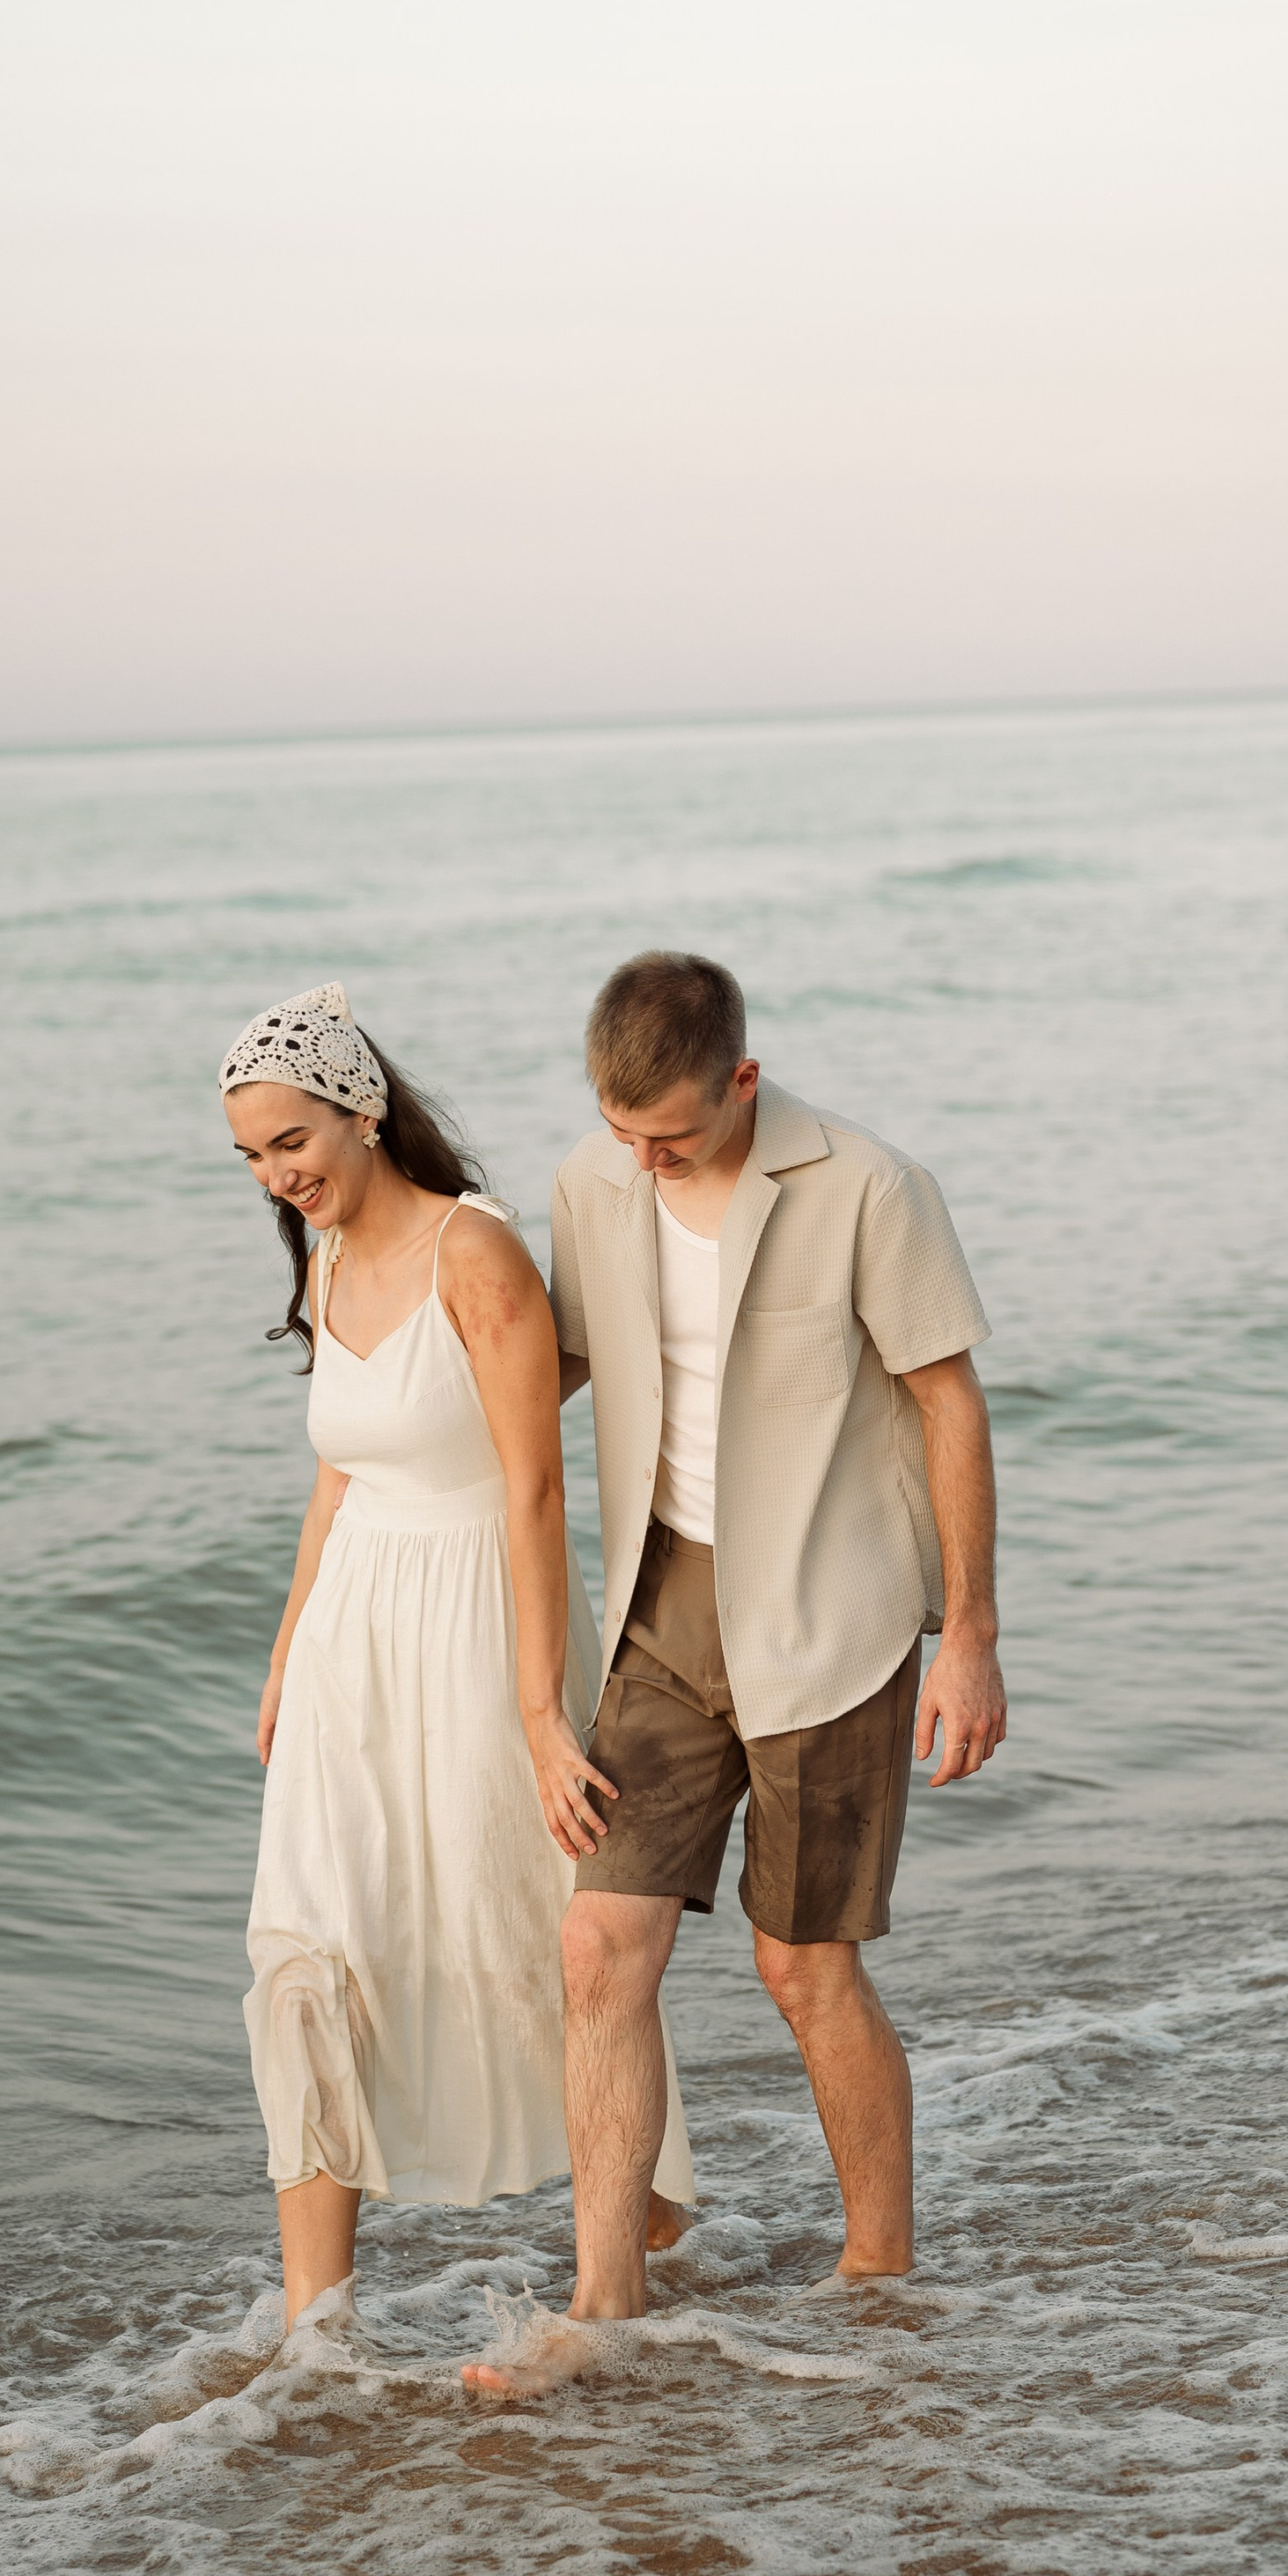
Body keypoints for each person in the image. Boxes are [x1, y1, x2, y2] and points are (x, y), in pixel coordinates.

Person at [462, 951, 1002, 2398]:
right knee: (599, 1947)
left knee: (803, 1967)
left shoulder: (871, 1188)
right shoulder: (596, 1178)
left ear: (744, 1083)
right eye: (622, 1132)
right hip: (663, 1604)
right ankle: (605, 2299)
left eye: (675, 1138)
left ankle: (881, 2272)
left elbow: (949, 1400)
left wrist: (973, 1639)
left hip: (831, 1614)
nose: (644, 1160)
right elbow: (563, 1360)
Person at [222, 979, 691, 2333]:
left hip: (479, 1627)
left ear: (364, 1111)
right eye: (253, 1156)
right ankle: (318, 2327)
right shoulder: (321, 1256)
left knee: (529, 1938)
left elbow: (534, 1490)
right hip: (351, 1644)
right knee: (312, 1948)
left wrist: (544, 1714)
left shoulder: (472, 1253)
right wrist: (285, 1649)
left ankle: (645, 2222)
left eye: (291, 1142)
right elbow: (336, 1477)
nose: (277, 1175)